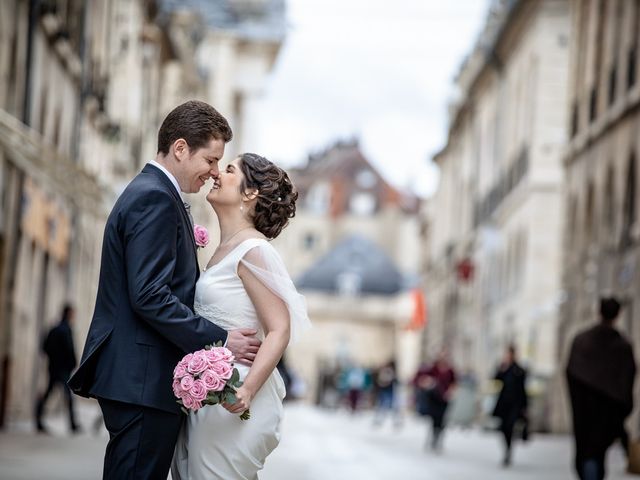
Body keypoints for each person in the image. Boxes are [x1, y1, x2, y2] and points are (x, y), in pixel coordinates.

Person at [68, 101, 261, 479]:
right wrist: (221, 339)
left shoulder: (155, 193)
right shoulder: (155, 198)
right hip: (142, 381)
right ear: (180, 149)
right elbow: (150, 295)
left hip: (140, 380)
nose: (213, 172)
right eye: (210, 160)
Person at [171, 152, 310, 479]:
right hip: (205, 394)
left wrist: (246, 390)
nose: (217, 173)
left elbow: (279, 329)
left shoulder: (253, 252)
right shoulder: (225, 250)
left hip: (232, 396)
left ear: (249, 193)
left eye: (229, 169)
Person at [566, 297, 636, 480]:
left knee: (589, 454)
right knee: (595, 453)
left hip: (586, 409)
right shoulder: (622, 346)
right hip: (606, 412)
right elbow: (627, 379)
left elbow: (571, 371)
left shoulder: (582, 340)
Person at [35, 304, 79, 434]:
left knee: (49, 393)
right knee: (67, 397)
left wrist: (53, 359)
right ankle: (72, 424)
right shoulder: (66, 330)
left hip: (53, 367)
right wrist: (71, 363)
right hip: (62, 369)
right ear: (68, 314)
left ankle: (38, 419)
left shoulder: (54, 329)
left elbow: (44, 348)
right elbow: (69, 349)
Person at [412, 350, 456, 451]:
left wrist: (450, 392)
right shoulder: (433, 368)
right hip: (433, 398)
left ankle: (439, 439)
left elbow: (454, 383)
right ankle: (433, 439)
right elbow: (420, 379)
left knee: (442, 420)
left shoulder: (450, 370)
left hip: (445, 398)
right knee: (434, 419)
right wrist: (427, 382)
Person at [492, 345, 528, 467]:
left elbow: (523, 389)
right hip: (503, 404)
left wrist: (524, 407)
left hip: (515, 404)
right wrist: (501, 367)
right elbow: (495, 378)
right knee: (503, 428)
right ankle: (507, 448)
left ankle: (509, 451)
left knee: (510, 426)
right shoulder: (504, 368)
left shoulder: (519, 370)